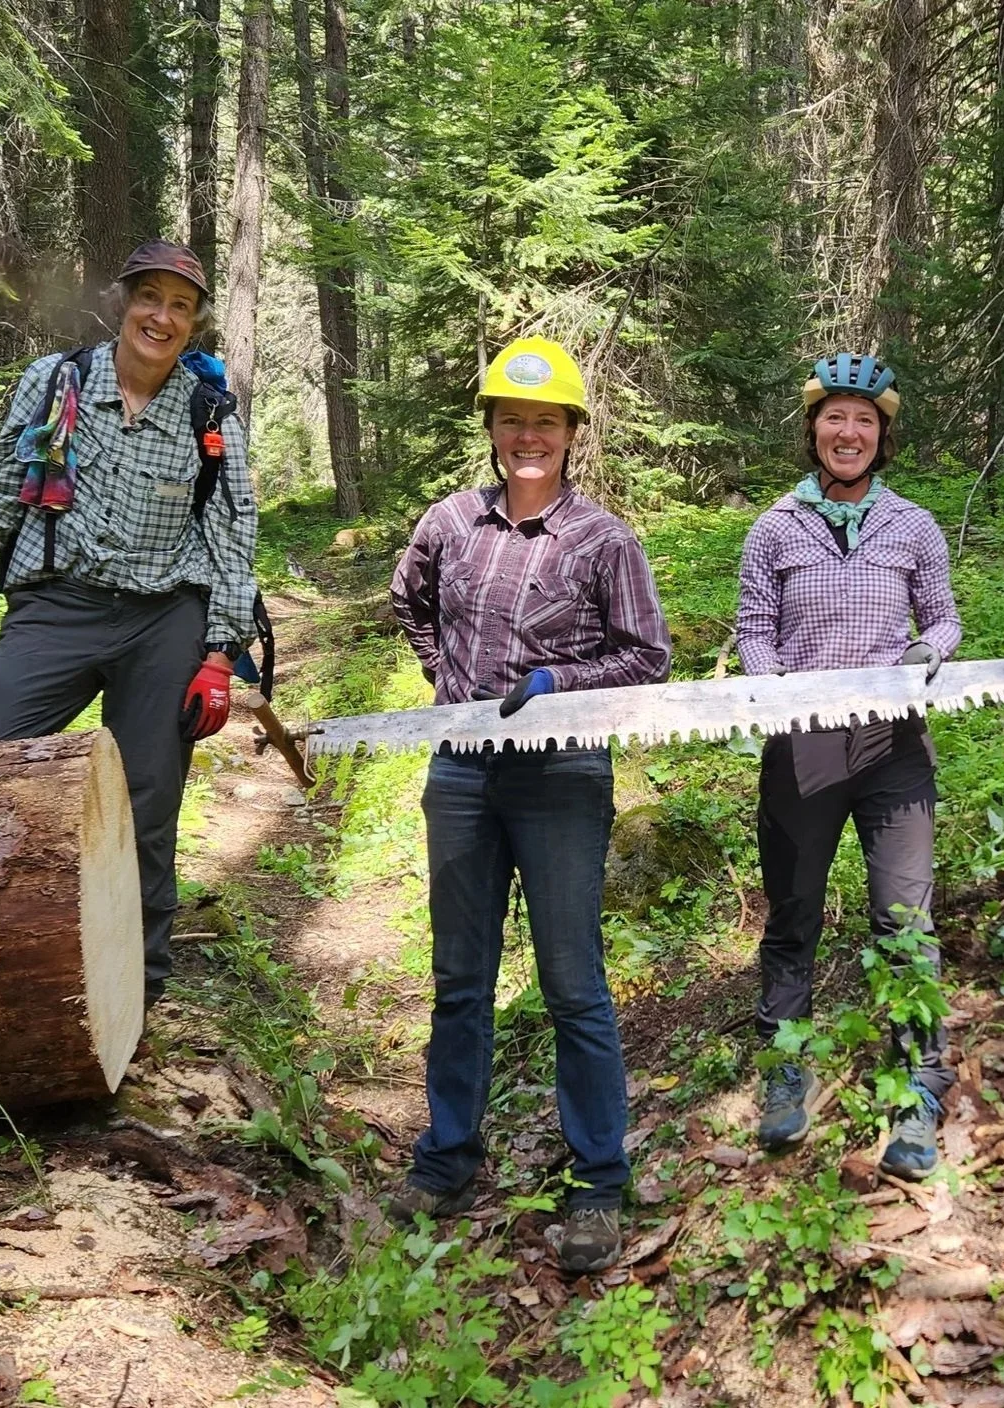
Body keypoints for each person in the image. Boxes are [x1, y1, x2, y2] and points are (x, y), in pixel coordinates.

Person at [388, 335, 671, 1272]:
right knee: (460, 979)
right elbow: (410, 603)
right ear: (492, 427)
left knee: (573, 984)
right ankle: (446, 1158)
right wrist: (449, 684)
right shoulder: (449, 522)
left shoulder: (604, 539)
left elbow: (647, 656)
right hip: (463, 772)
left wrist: (560, 680)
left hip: (561, 778)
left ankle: (597, 1179)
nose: (526, 436)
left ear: (571, 433)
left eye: (544, 421)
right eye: (512, 419)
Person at [0, 240, 259, 1009]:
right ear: (123, 303)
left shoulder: (207, 410)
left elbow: (231, 536)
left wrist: (219, 653)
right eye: (149, 297)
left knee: (147, 807)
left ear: (194, 324)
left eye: (180, 305)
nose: (161, 316)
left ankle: (140, 990)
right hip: (58, 607)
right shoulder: (56, 384)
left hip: (164, 621)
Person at [736, 354, 962, 1179]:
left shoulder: (914, 525)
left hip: (894, 748)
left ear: (883, 436)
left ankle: (916, 1087)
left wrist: (921, 653)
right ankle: (784, 1068)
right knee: (792, 912)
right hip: (803, 747)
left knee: (905, 920)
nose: (849, 432)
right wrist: (777, 691)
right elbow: (754, 627)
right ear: (813, 429)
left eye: (864, 420)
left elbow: (944, 620)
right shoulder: (775, 528)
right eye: (835, 417)